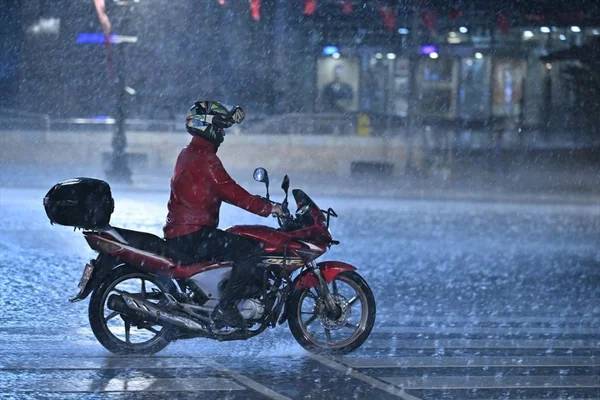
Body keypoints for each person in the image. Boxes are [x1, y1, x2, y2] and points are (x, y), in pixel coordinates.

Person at [163, 100, 284, 328]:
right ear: (206, 126)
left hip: (183, 233)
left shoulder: (188, 153)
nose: (222, 134)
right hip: (193, 235)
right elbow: (232, 192)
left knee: (236, 240)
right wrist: (269, 208)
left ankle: (222, 295)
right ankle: (228, 306)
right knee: (251, 250)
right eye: (219, 128)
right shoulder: (205, 159)